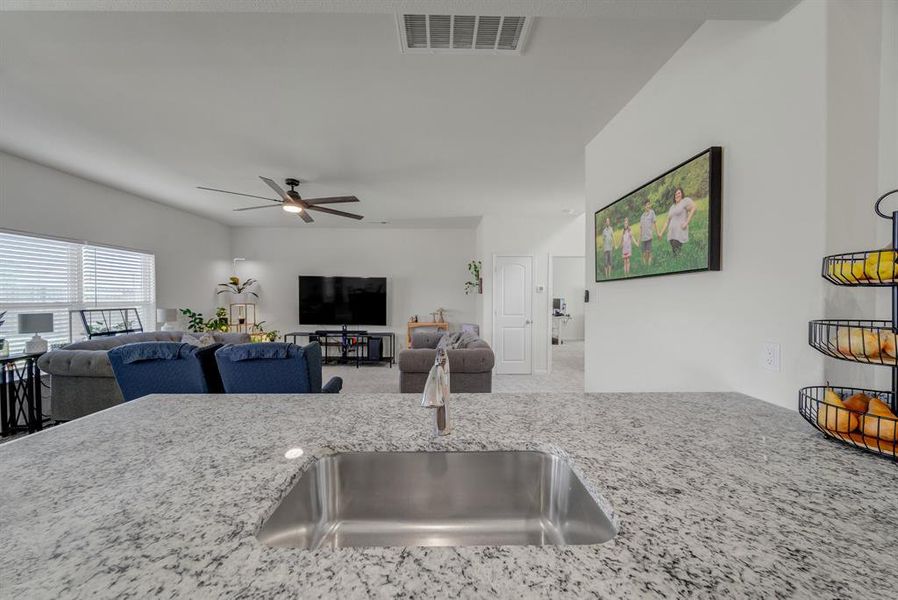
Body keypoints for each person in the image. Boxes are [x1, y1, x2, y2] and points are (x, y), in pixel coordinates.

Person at [659, 187, 696, 257]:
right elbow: (667, 221)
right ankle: (681, 259)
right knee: (675, 252)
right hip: (672, 233)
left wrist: (686, 223)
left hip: (679, 232)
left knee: (676, 252)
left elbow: (694, 208)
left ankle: (683, 259)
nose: (677, 195)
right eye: (675, 194)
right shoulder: (672, 207)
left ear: (682, 194)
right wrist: (661, 233)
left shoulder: (684, 201)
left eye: (679, 193)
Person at [638, 199, 662, 266]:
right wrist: (639, 239)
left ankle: (649, 266)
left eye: (649, 204)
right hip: (643, 238)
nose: (648, 206)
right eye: (647, 205)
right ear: (644, 206)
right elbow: (641, 228)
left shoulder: (652, 212)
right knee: (644, 253)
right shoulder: (642, 216)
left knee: (649, 252)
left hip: (649, 236)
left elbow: (655, 223)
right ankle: (645, 266)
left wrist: (658, 233)